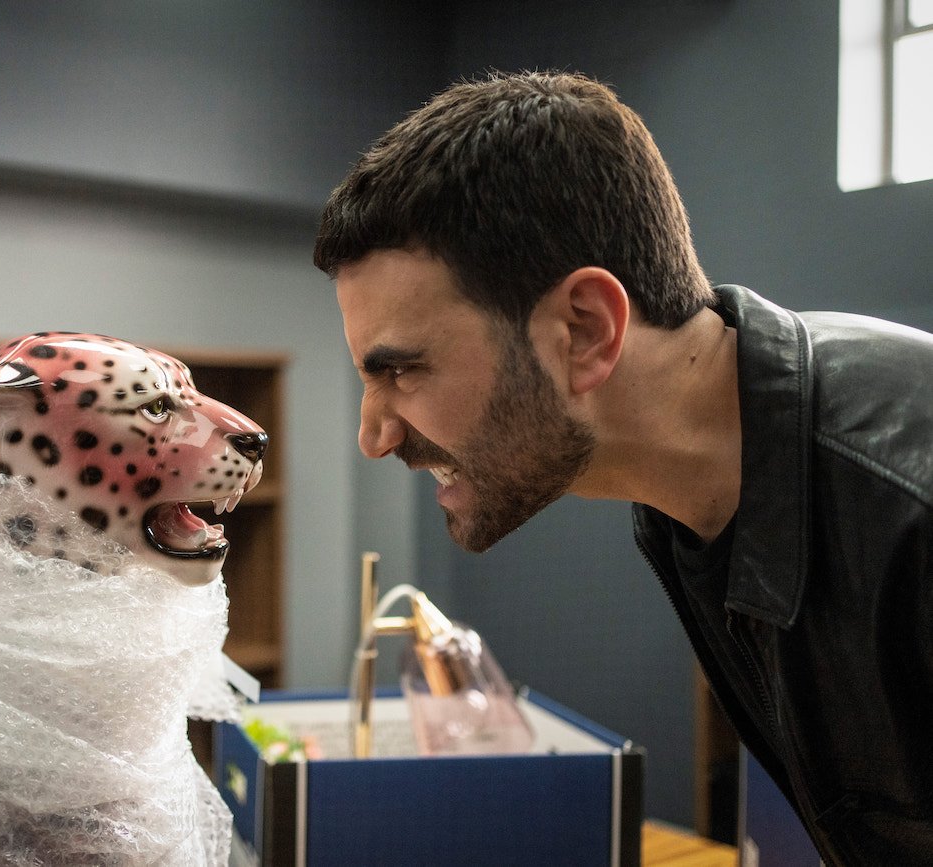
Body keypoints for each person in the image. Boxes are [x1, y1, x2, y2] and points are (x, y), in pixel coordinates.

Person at [313, 71, 933, 865]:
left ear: (585, 330)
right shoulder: (686, 501)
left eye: (402, 370)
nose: (374, 434)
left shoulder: (904, 505)